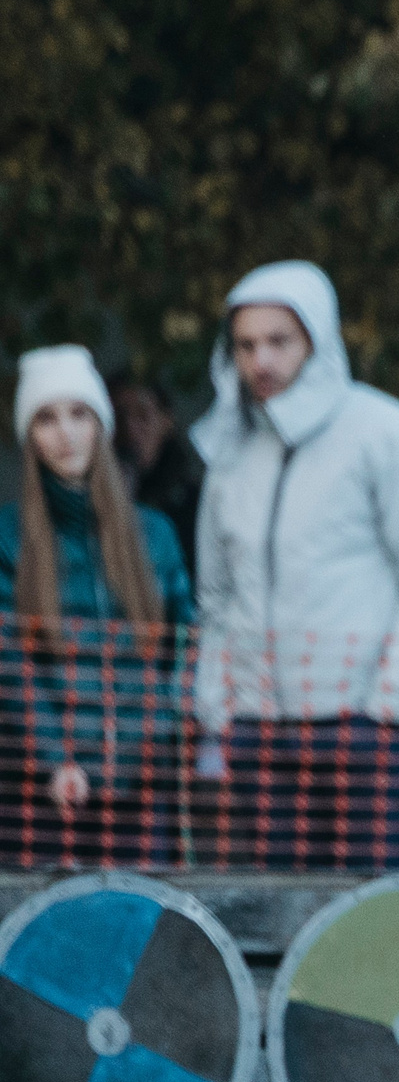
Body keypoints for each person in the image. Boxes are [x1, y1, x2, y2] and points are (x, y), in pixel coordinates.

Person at [191, 262, 399, 869]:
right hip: (262, 737)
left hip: (370, 735)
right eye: (246, 345)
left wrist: (391, 706)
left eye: (279, 341)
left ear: (318, 339)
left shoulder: (393, 437)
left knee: (376, 935)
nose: (261, 362)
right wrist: (223, 707)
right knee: (275, 932)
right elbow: (216, 598)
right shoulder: (230, 458)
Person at [1, 346, 193, 863]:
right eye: (46, 418)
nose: (65, 433)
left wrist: (141, 745)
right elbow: (11, 667)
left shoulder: (155, 535)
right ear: (29, 437)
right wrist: (56, 761)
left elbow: (182, 650)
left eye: (79, 414)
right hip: (43, 792)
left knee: (143, 929)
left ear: (100, 426)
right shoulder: (8, 537)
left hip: (142, 786)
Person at [108, 372, 206, 581]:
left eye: (143, 416)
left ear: (166, 420)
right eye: (119, 417)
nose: (130, 430)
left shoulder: (194, 504)